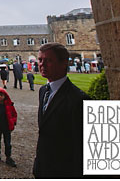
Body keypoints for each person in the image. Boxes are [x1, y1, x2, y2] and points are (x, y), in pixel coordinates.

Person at [33, 42, 87, 178]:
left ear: (64, 63)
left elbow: (81, 147)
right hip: (43, 167)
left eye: (49, 60)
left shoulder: (78, 99)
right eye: (40, 60)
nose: (42, 64)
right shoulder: (43, 90)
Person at [0, 87, 18, 166]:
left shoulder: (9, 105)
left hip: (6, 126)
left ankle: (8, 157)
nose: (0, 97)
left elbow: (14, 114)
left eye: (1, 95)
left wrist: (13, 121)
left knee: (7, 143)